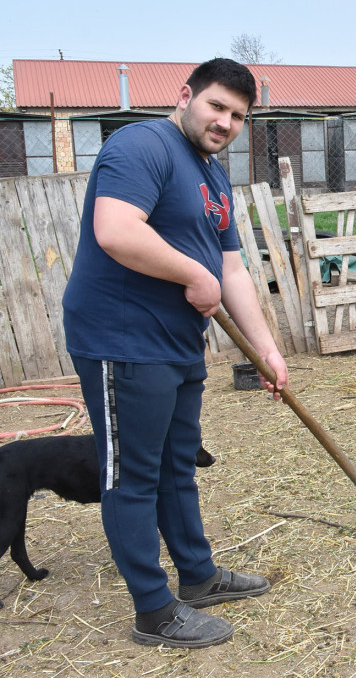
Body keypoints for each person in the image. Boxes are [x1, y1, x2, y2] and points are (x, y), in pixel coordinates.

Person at [63, 58, 289, 649]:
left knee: (176, 463)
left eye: (238, 116)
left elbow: (233, 269)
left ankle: (199, 576)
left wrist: (267, 350)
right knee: (133, 474)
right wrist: (195, 274)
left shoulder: (212, 175)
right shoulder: (143, 147)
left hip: (177, 342)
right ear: (185, 95)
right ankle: (153, 611)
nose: (226, 122)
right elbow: (116, 229)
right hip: (124, 339)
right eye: (217, 106)